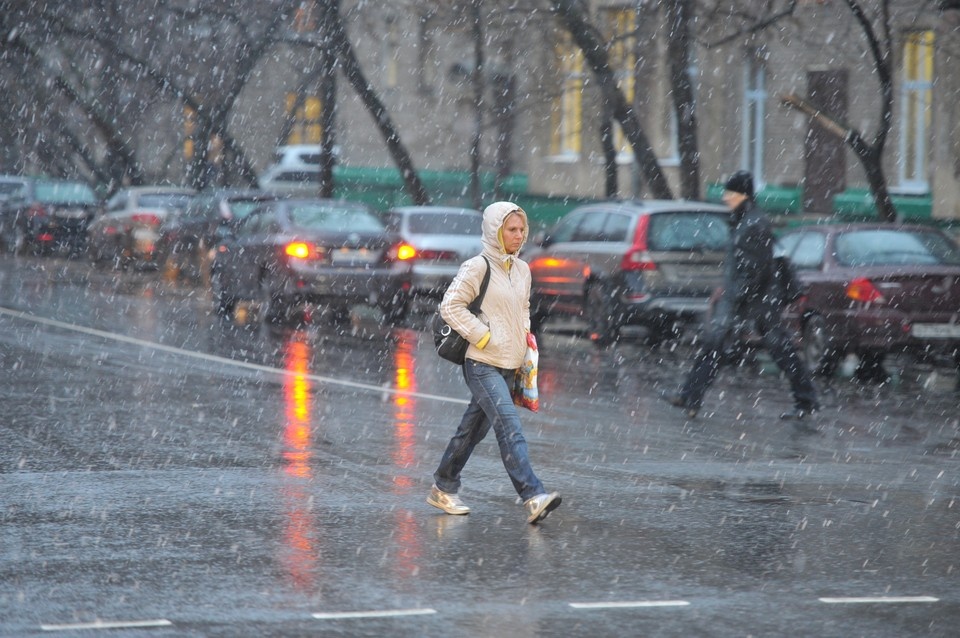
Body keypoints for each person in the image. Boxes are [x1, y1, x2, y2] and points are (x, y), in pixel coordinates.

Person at [427, 202, 562, 524]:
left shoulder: (523, 269)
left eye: (521, 230)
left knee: (471, 431)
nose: (518, 236)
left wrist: (524, 339)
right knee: (509, 426)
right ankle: (533, 495)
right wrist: (483, 336)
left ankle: (443, 486)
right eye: (511, 230)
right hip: (481, 361)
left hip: (509, 363)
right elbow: (451, 306)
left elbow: (523, 308)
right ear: (494, 231)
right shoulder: (477, 266)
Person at [662, 170, 820, 420]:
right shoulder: (747, 220)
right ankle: (690, 395)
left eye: (730, 193)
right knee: (719, 346)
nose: (725, 198)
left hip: (756, 302)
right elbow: (747, 268)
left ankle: (806, 400)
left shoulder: (753, 224)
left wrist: (734, 298)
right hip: (753, 300)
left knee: (774, 349)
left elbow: (754, 271)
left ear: (742, 196)